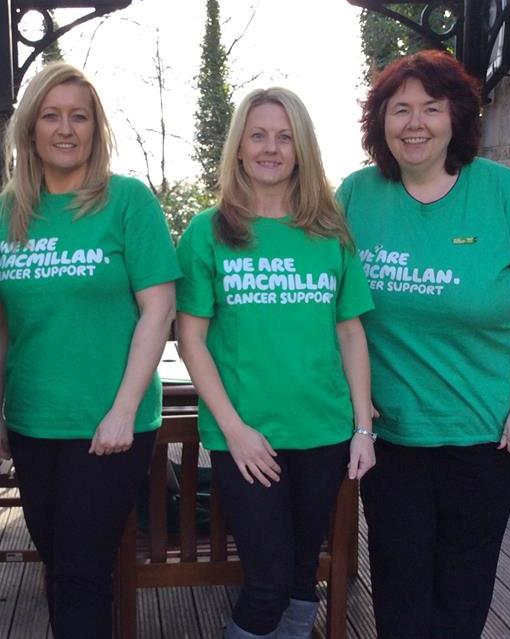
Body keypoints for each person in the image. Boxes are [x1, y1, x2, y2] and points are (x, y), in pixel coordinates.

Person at [337, 50, 510, 639]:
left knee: (462, 589)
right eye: (400, 109)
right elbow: (327, 299)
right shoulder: (358, 196)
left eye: (430, 109)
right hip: (390, 435)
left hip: (487, 435)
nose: (415, 123)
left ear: (456, 118)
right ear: (380, 122)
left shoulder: (502, 194)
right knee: (398, 583)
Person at [0, 61, 180, 639]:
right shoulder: (6, 212)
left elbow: (158, 309)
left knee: (81, 572)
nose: (65, 129)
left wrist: (123, 409)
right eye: (51, 116)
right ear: (29, 128)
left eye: (79, 116)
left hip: (110, 425)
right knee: (58, 566)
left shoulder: (126, 202)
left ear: (96, 128)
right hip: (33, 420)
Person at [176, 87, 376, 639]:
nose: (271, 148)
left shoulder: (329, 232)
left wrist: (362, 428)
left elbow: (351, 331)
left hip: (323, 432)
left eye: (285, 136)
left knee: (299, 575)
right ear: (238, 147)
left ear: (302, 148)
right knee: (265, 582)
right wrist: (234, 430)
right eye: (258, 135)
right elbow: (191, 338)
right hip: (246, 439)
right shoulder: (208, 231)